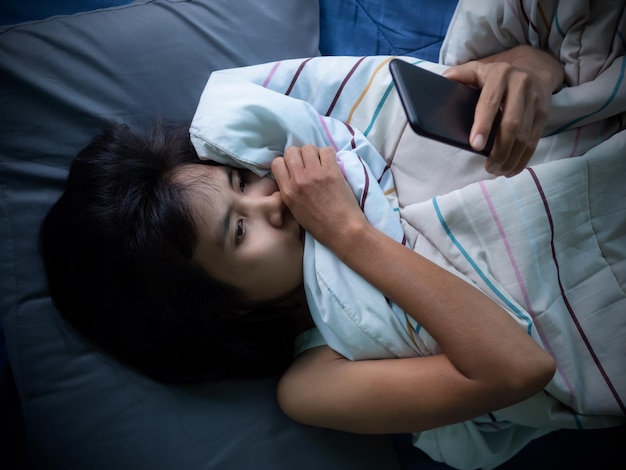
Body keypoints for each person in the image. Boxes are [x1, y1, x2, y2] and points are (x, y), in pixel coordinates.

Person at [39, 45, 625, 469]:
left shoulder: (346, 148)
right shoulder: (314, 383)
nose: (274, 198)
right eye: (238, 231)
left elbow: (546, 75)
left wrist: (528, 73)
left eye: (243, 178)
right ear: (226, 310)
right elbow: (518, 370)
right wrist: (349, 233)